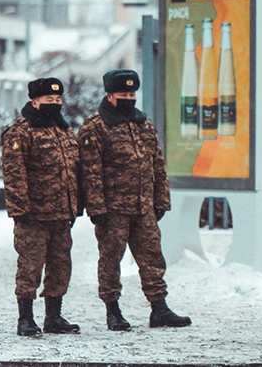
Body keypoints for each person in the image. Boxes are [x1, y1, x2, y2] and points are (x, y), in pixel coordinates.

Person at [78, 69, 190, 331]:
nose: (129, 98)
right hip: (112, 209)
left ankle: (159, 309)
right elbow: (90, 172)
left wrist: (161, 199)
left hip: (144, 207)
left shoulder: (143, 124)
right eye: (123, 94)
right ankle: (113, 310)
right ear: (110, 95)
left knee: (152, 258)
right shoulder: (94, 127)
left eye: (132, 94)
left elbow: (157, 164)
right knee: (110, 260)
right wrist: (96, 208)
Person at [1, 77, 82, 337]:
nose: (55, 104)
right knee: (30, 267)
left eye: (58, 100)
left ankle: (54, 317)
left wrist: (75, 206)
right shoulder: (21, 131)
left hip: (61, 214)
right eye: (49, 100)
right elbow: (14, 173)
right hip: (33, 216)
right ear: (35, 102)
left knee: (60, 267)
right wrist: (19, 209)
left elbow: (73, 170)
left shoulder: (63, 131)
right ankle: (25, 319)